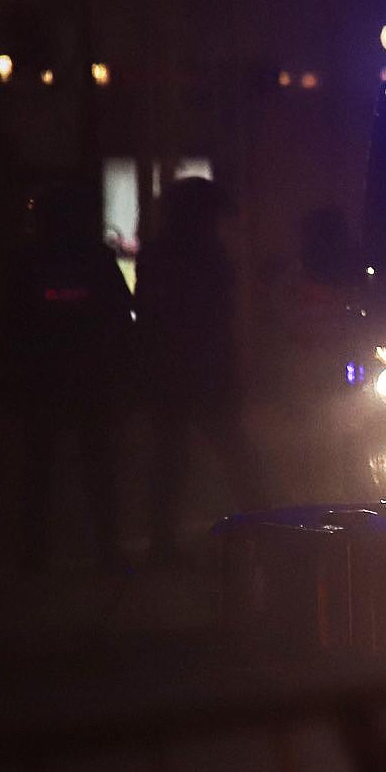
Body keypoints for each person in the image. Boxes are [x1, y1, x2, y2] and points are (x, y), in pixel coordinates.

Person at [0, 183, 133, 570]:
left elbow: (11, 324)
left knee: (42, 468)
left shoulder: (28, 261)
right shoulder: (93, 258)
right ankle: (104, 550)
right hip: (83, 377)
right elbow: (120, 314)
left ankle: (36, 553)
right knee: (94, 467)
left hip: (49, 377)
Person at [136, 177, 266, 558]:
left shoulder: (161, 254)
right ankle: (265, 530)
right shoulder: (210, 256)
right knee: (235, 457)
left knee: (172, 461)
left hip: (173, 370)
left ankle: (163, 544)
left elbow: (149, 315)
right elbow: (217, 318)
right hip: (203, 369)